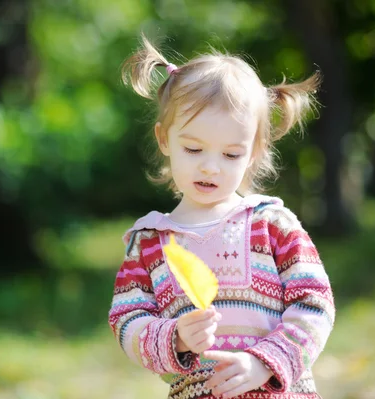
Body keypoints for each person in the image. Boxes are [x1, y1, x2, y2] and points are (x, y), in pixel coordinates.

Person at [108, 35, 335, 399]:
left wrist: (266, 362)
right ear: (165, 139)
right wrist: (175, 337)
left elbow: (314, 301)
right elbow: (127, 320)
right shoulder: (150, 242)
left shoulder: (272, 225)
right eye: (194, 148)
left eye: (231, 155)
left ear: (253, 153)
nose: (211, 167)